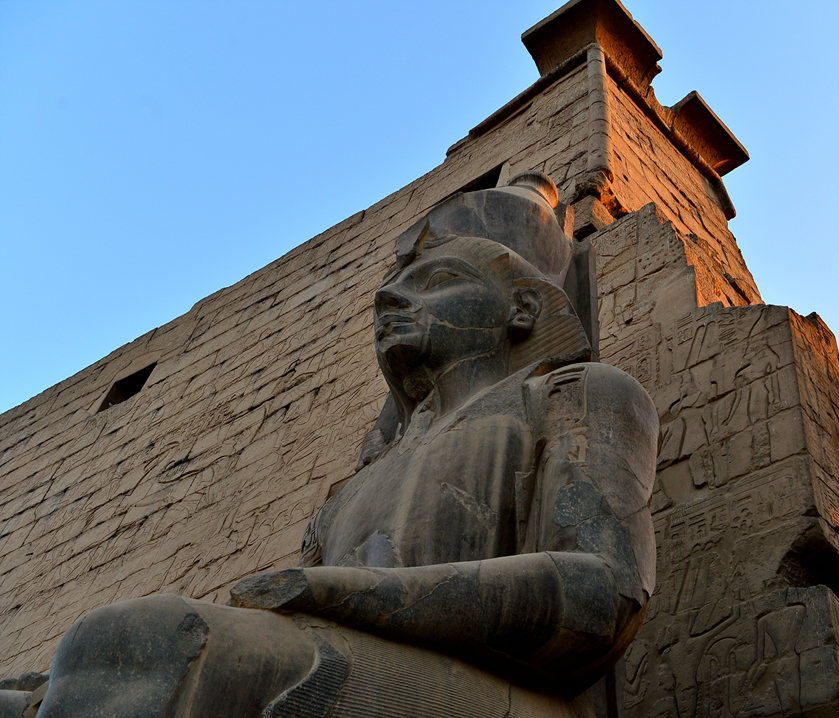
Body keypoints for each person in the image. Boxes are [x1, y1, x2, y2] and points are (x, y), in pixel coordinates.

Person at [33, 173, 658, 718]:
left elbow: (604, 592)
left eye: (438, 280)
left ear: (521, 307)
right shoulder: (350, 491)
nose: (390, 301)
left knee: (131, 640)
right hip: (360, 655)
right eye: (393, 291)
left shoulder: (573, 395)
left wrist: (347, 594)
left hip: (503, 691)